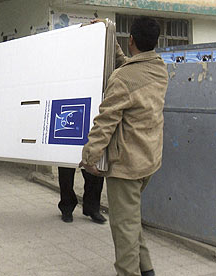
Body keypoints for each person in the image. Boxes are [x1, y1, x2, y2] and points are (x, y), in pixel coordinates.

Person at [79, 16, 168, 276]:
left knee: (123, 228)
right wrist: (108, 35)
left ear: (131, 40)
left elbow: (105, 122)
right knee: (130, 220)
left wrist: (89, 157)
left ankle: (128, 271)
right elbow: (129, 70)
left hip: (126, 166)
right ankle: (147, 269)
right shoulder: (159, 68)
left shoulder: (123, 79)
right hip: (149, 159)